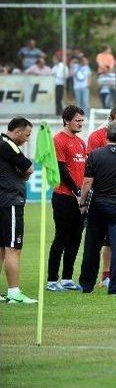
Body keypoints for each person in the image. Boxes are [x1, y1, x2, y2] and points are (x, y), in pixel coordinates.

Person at [79, 121, 116, 296]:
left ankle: (86, 285)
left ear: (106, 136)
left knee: (92, 245)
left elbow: (87, 182)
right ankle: (115, 287)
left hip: (98, 204)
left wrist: (83, 202)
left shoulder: (95, 154)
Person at [86, 106, 116, 288]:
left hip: (115, 197)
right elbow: (90, 170)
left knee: (111, 242)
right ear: (111, 119)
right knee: (99, 243)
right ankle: (99, 281)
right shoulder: (96, 137)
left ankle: (104, 278)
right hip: (102, 197)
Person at [47, 106, 87, 292]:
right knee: (61, 237)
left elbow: (84, 171)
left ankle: (67, 278)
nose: (81, 123)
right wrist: (78, 192)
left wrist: (84, 193)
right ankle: (52, 280)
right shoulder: (58, 140)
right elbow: (62, 170)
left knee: (76, 237)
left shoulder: (80, 142)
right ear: (67, 120)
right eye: (78, 120)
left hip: (80, 197)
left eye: (82, 120)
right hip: (64, 196)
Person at [0, 118, 36, 304]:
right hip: (11, 201)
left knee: (1, 250)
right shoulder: (9, 145)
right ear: (18, 131)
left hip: (2, 201)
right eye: (27, 134)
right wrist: (23, 174)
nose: (28, 139)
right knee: (13, 248)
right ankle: (14, 293)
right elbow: (29, 168)